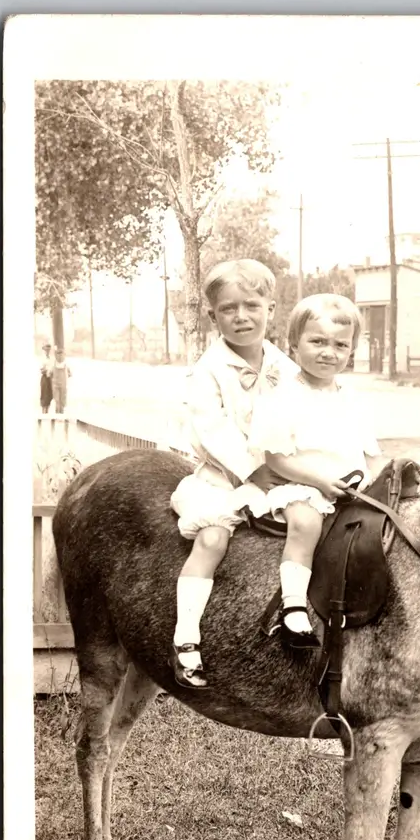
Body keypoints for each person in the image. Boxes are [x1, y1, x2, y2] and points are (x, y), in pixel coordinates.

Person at [169, 258, 299, 688]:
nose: (241, 317)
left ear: (271, 309)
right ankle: (186, 638)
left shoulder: (287, 367)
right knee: (213, 537)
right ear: (212, 316)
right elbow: (210, 428)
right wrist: (251, 470)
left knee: (313, 526)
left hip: (278, 473)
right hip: (224, 477)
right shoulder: (207, 369)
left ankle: (296, 614)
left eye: (251, 306)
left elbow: (303, 417)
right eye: (229, 309)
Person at [248, 294, 385, 649]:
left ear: (351, 350)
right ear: (294, 344)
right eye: (318, 341)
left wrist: (377, 478)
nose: (329, 352)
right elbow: (276, 460)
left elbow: (370, 454)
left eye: (340, 345)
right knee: (306, 523)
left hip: (350, 488)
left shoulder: (352, 399)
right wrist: (320, 482)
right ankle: (292, 606)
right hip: (303, 484)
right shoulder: (282, 398)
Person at [51, 348, 71, 414]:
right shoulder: (53, 364)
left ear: (63, 356)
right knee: (57, 400)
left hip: (63, 385)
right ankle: (57, 413)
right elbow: (50, 374)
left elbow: (70, 374)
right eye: (58, 355)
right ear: (56, 356)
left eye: (61, 355)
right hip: (56, 385)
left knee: (62, 400)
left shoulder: (66, 365)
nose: (60, 357)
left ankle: (61, 414)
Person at [39, 343, 53, 414]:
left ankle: (47, 411)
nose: (48, 351)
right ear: (44, 350)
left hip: (50, 378)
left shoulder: (50, 358)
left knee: (50, 395)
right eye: (46, 349)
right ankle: (43, 412)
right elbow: (41, 369)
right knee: (44, 394)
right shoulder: (42, 358)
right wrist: (46, 371)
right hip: (44, 377)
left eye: (49, 349)